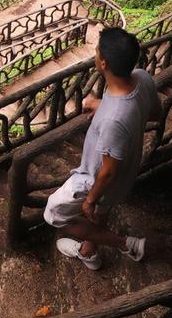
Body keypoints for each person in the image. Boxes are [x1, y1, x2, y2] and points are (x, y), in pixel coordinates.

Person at [43, 27, 162, 270]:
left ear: (104, 63)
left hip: (95, 179)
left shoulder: (114, 120)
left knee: (53, 215)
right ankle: (89, 253)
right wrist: (104, 105)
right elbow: (154, 114)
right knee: (100, 212)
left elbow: (107, 171)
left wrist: (89, 200)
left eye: (96, 51)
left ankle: (126, 244)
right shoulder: (141, 77)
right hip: (126, 173)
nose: (95, 54)